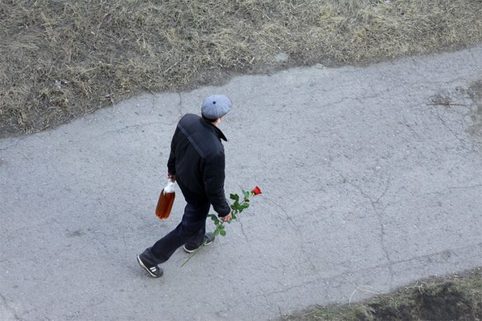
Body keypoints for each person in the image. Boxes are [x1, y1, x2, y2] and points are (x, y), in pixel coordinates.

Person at [137, 95, 233, 278]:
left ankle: (195, 242)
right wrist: (224, 210)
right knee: (189, 225)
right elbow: (214, 187)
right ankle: (150, 257)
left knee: (198, 214)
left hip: (183, 177)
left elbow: (175, 148)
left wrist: (171, 170)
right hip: (198, 191)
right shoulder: (215, 151)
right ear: (220, 117)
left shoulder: (187, 120)